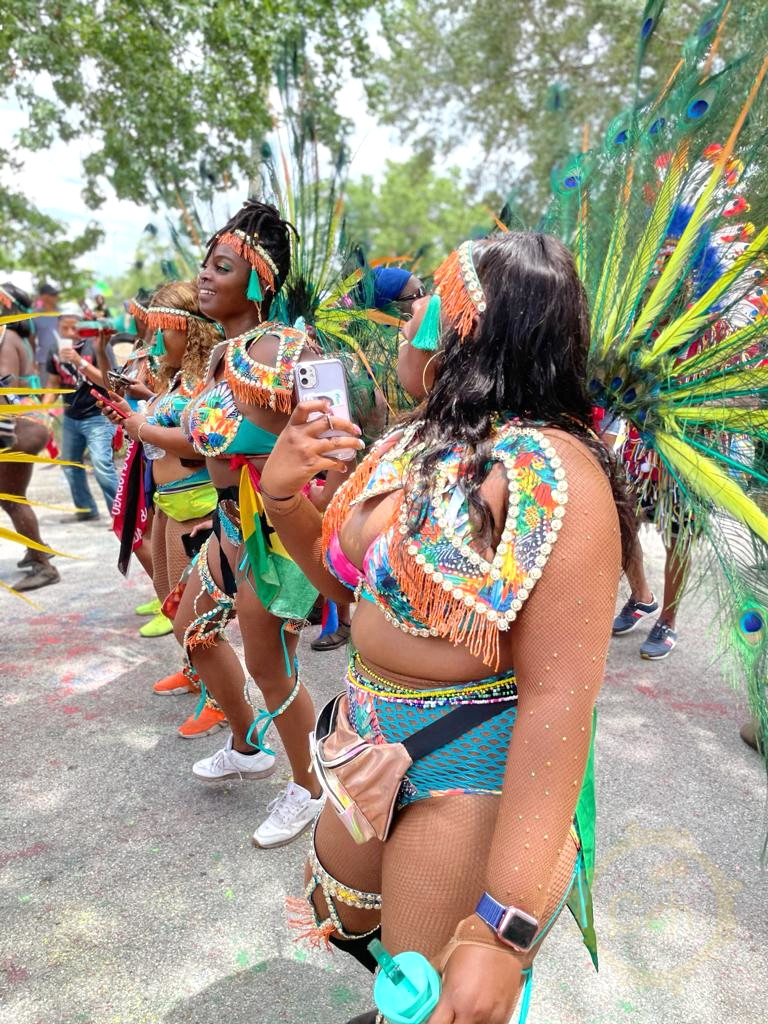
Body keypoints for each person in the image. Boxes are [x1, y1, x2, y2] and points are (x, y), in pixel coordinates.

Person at [258, 233, 630, 1023]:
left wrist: (505, 928)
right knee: (373, 943)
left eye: (431, 294)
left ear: (476, 320)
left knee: (437, 1001)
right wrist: (284, 501)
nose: (408, 314)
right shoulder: (407, 442)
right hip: (365, 736)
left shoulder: (549, 469)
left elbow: (560, 699)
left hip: (464, 767)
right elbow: (356, 596)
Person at [174, 200, 327, 846]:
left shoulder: (295, 347)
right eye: (206, 265)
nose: (205, 277)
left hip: (276, 535)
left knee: (271, 665)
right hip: (228, 525)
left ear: (258, 280)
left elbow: (332, 439)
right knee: (192, 628)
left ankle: (310, 788)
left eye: (222, 266)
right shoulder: (221, 357)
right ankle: (246, 743)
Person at [99, 281, 226, 738]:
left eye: (164, 331)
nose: (154, 342)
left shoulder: (203, 380)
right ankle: (197, 674)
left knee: (197, 610)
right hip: (169, 502)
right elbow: (158, 427)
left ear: (189, 330)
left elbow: (197, 443)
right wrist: (135, 414)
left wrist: (144, 425)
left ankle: (222, 699)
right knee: (171, 596)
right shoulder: (173, 377)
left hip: (196, 502)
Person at [0, 283, 60, 591]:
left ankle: (43, 565)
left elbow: (5, 387)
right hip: (27, 423)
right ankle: (36, 549)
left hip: (16, 427)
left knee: (11, 498)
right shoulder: (20, 336)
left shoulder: (6, 337)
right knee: (11, 496)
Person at [45, 304, 119, 521]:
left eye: (73, 328)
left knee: (102, 467)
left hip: (98, 416)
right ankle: (87, 509)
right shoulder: (54, 350)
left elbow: (109, 382)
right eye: (64, 328)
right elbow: (53, 383)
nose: (68, 334)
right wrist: (43, 410)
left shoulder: (96, 346)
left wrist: (78, 362)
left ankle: (121, 516)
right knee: (70, 465)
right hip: (71, 417)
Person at [32, 283, 61, 377]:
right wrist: (33, 363)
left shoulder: (63, 314)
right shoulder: (34, 315)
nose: (56, 297)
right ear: (43, 297)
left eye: (56, 295)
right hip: (44, 361)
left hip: (64, 358)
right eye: (53, 295)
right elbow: (31, 340)